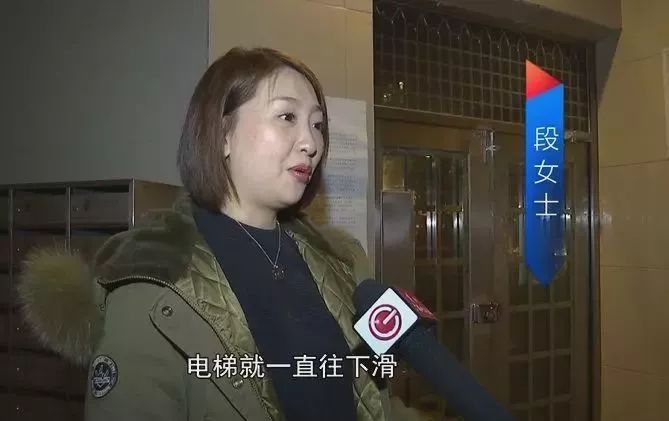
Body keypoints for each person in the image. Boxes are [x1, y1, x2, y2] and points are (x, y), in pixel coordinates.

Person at [17, 47, 426, 420]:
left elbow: (373, 401)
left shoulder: (342, 262)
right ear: (223, 134)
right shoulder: (151, 283)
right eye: (287, 117)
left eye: (318, 124)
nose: (311, 143)